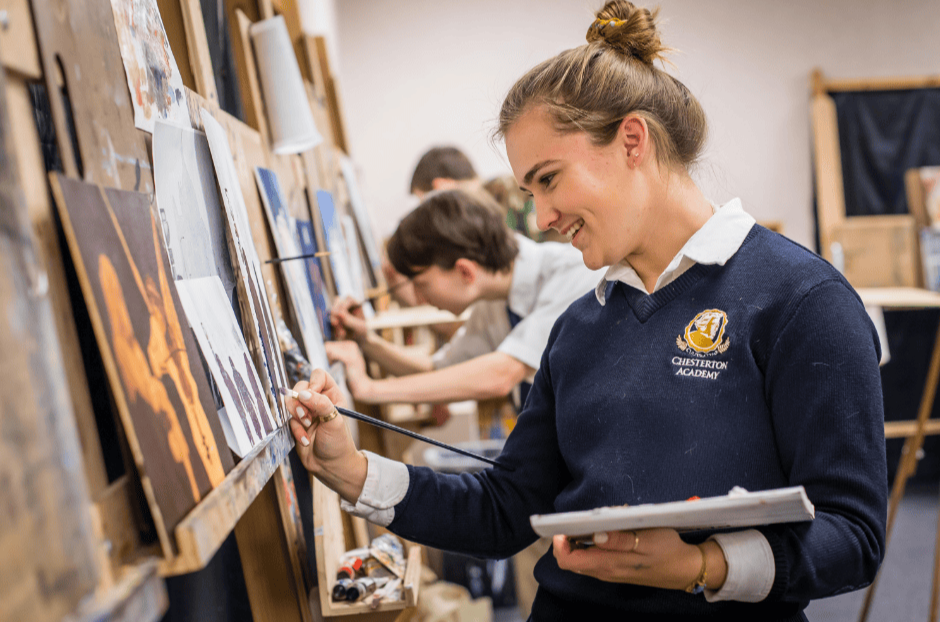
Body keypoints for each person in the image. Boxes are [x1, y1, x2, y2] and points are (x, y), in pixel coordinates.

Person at [285, 2, 888, 619]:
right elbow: (506, 508)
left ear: (632, 140)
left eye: (549, 180)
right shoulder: (579, 327)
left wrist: (700, 567)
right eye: (530, 192)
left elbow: (853, 537)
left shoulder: (802, 302)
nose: (542, 219)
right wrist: (354, 471)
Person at [328, 186, 604, 411]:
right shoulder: (494, 299)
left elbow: (502, 375)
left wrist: (368, 389)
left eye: (421, 284)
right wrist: (367, 342)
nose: (419, 298)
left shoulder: (575, 273)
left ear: (465, 271)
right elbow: (438, 370)